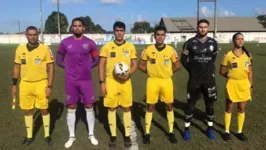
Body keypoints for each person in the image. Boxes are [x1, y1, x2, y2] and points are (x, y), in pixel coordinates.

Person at [56, 17, 99, 148]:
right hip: (71, 80)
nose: (77, 28)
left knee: (89, 106)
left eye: (80, 25)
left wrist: (86, 68)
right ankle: (71, 136)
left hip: (86, 80)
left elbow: (96, 60)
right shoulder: (65, 43)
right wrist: (68, 68)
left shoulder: (90, 43)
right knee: (71, 107)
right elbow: (59, 60)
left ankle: (91, 134)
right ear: (72, 28)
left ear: (84, 28)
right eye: (74, 26)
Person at [12, 26, 54, 146]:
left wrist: (50, 86)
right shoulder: (20, 49)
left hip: (41, 83)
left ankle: (47, 135)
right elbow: (16, 67)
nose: (33, 37)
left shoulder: (45, 49)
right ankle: (29, 136)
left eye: (35, 34)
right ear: (26, 35)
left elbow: (51, 68)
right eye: (30, 34)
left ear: (38, 35)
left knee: (44, 109)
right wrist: (14, 84)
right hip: (25, 84)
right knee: (27, 110)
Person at [98, 21, 138, 148]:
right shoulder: (107, 47)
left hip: (125, 81)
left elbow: (135, 64)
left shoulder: (130, 46)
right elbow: (101, 65)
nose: (119, 33)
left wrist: (129, 74)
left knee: (126, 108)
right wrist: (102, 83)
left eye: (121, 30)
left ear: (124, 32)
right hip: (111, 81)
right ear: (114, 31)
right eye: (117, 30)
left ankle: (126, 135)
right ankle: (113, 136)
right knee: (111, 108)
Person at [139, 26, 181, 144]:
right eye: (158, 35)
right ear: (154, 36)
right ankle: (147, 133)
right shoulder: (148, 49)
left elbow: (177, 66)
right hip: (152, 81)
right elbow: (140, 65)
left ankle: (171, 132)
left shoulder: (171, 50)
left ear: (165, 36)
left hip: (166, 81)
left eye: (162, 35)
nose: (160, 37)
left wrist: (168, 73)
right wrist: (149, 72)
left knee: (169, 106)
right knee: (150, 107)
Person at [181, 19, 218, 141]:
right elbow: (183, 59)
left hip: (208, 80)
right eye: (201, 27)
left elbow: (213, 59)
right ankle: (186, 130)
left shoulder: (213, 42)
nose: (203, 29)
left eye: (205, 27)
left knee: (210, 105)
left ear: (208, 28)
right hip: (194, 80)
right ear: (197, 28)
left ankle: (210, 129)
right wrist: (191, 70)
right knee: (190, 105)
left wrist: (209, 72)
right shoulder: (189, 43)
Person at [219, 32, 253, 142]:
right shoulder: (228, 55)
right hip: (232, 84)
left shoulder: (248, 55)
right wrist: (229, 76)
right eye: (238, 39)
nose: (240, 41)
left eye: (242, 39)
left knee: (241, 108)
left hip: (244, 85)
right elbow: (221, 71)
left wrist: (250, 86)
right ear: (234, 41)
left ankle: (239, 131)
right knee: (229, 108)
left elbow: (250, 73)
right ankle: (226, 131)